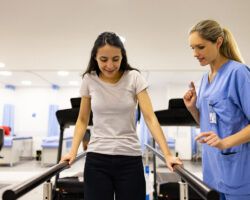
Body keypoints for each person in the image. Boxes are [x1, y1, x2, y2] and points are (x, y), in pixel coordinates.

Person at [61, 32, 182, 200]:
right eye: (104, 59)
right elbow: (82, 119)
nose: (110, 65)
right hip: (97, 160)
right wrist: (73, 152)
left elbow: (150, 117)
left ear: (122, 56)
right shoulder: (89, 80)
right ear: (95, 57)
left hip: (130, 159)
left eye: (115, 59)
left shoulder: (134, 78)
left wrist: (167, 153)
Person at [183, 19, 250, 200]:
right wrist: (193, 109)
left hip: (238, 173)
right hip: (212, 173)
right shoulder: (204, 81)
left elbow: (223, 137)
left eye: (201, 47)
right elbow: (209, 126)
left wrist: (225, 143)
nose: (195, 54)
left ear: (218, 42)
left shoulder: (239, 73)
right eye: (192, 48)